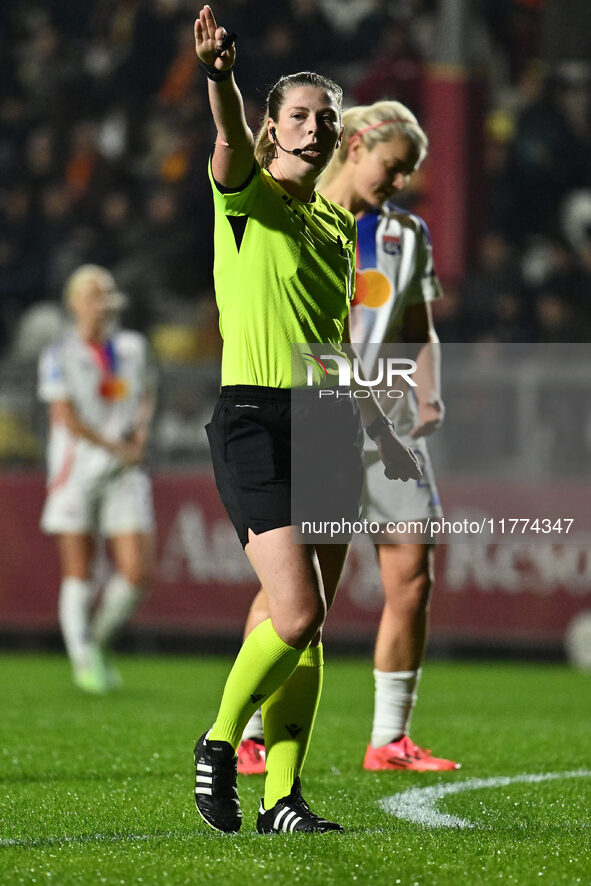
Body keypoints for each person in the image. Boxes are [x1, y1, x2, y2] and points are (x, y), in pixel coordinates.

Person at [192, 6, 420, 836]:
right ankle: (219, 740)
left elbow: (332, 344)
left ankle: (283, 799)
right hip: (253, 414)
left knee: (313, 623)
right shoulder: (245, 196)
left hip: (325, 418)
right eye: (299, 116)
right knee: (290, 614)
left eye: (325, 119)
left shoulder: (333, 223)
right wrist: (220, 79)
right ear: (270, 129)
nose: (316, 129)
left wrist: (378, 429)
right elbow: (223, 137)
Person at [237, 100, 459, 775]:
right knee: (298, 590)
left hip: (390, 428)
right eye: (393, 168)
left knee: (412, 579)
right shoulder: (293, 215)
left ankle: (389, 739)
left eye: (407, 175)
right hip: (321, 420)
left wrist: (426, 390)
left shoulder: (405, 236)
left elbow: (417, 324)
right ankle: (247, 731)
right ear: (356, 146)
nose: (398, 184)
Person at [38, 264, 156, 694]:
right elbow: (64, 417)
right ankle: (84, 660)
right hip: (77, 472)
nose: (100, 301)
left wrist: (138, 436)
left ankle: (97, 643)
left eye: (105, 292)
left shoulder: (132, 347)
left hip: (125, 469)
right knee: (79, 570)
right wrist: (116, 446)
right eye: (91, 293)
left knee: (138, 572)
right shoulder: (59, 354)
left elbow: (145, 394)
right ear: (74, 302)